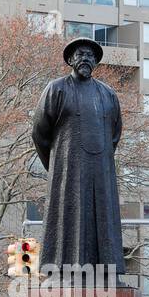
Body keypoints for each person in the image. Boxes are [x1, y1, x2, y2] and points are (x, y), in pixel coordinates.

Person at [31, 37, 126, 284]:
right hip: (68, 170)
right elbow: (40, 133)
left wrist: (101, 161)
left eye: (91, 55)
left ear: (96, 62)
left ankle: (106, 276)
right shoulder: (57, 89)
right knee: (67, 220)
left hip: (101, 170)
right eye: (80, 54)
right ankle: (62, 274)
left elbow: (115, 133)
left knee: (103, 218)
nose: (86, 58)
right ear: (71, 59)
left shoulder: (108, 94)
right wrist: (57, 168)